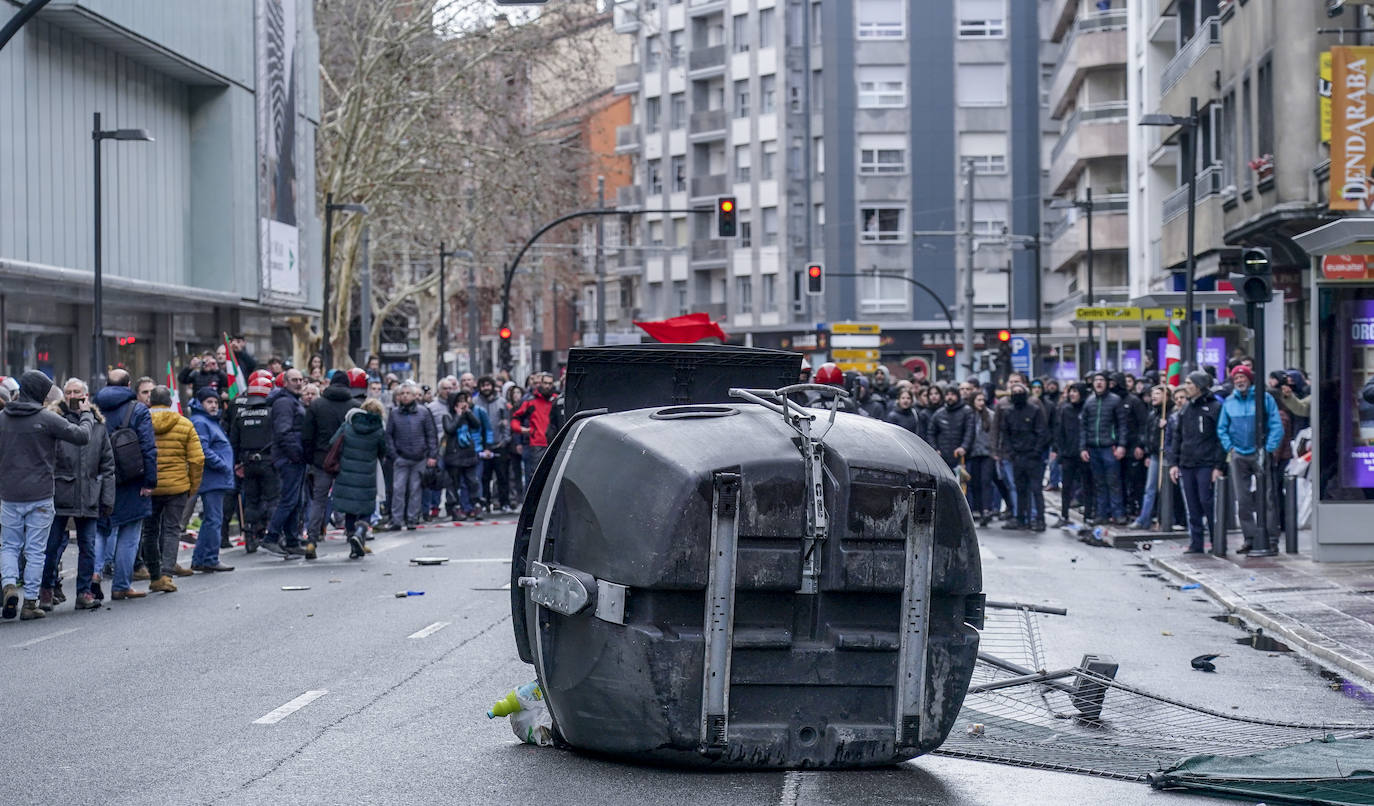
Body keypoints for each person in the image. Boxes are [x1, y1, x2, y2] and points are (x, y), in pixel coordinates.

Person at [0, 371, 94, 620]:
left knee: (9, 545)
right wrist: (86, 414)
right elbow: (82, 436)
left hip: (9, 493)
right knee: (35, 550)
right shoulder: (47, 418)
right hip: (40, 494)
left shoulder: (2, 418)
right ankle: (30, 602)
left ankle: (9, 584)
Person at [38, 378, 114, 611]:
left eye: (77, 392)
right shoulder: (55, 422)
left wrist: (107, 498)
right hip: (59, 494)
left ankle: (84, 592)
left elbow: (108, 465)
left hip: (89, 495)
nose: (72, 396)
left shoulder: (99, 425)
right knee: (51, 547)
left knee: (88, 546)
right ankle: (47, 590)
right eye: (69, 392)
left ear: (86, 395)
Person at [91, 370, 159, 601]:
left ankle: (94, 573)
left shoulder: (94, 408)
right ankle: (121, 585)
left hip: (102, 477)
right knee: (130, 533)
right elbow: (148, 449)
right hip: (132, 480)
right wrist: (149, 482)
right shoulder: (138, 409)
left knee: (101, 529)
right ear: (129, 385)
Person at [140, 386, 204, 593]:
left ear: (150, 401)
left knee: (149, 530)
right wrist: (192, 486)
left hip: (149, 487)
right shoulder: (184, 424)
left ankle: (154, 574)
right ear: (170, 402)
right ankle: (167, 574)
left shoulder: (140, 422)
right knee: (171, 530)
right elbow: (197, 459)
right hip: (177, 486)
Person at [1218, 365, 1283, 553]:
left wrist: (1269, 448)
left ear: (1249, 379)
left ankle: (1271, 538)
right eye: (1236, 378)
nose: (1239, 381)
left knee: (1268, 497)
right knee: (1243, 499)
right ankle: (1250, 537)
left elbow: (1275, 424)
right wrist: (1229, 447)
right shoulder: (1229, 402)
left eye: (1242, 377)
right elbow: (1222, 428)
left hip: (1259, 451)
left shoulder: (1265, 398)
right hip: (1238, 453)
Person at [1168, 372, 1227, 554]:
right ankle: (1196, 542)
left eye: (1189, 383)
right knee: (1191, 505)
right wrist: (1174, 462)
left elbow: (1220, 438)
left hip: (1206, 463)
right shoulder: (1186, 409)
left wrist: (1218, 466)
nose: (1186, 386)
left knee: (1207, 502)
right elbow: (1178, 436)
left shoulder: (1215, 407)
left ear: (1199, 385)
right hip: (1187, 462)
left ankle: (1217, 540)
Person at [302, 371, 357, 548]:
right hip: (347, 459)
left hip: (322, 459)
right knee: (350, 498)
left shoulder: (317, 405)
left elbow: (307, 436)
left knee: (319, 499)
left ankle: (312, 537)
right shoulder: (355, 406)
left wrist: (310, 458)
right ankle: (351, 533)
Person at [331, 399, 390, 558]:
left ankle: (352, 539)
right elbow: (383, 450)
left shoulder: (348, 426)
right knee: (367, 507)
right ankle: (361, 531)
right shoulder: (378, 430)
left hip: (347, 472)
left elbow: (333, 442)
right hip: (368, 473)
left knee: (350, 508)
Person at [229, 370, 279, 554]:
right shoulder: (271, 413)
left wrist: (236, 463)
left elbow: (233, 441)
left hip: (247, 463)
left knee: (251, 500)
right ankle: (273, 533)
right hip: (268, 462)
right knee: (272, 498)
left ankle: (249, 533)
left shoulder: (240, 415)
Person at [187, 387, 235, 573]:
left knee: (211, 519)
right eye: (209, 402)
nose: (214, 405)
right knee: (214, 520)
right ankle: (210, 558)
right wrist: (223, 465)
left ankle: (200, 559)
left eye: (215, 402)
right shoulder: (201, 422)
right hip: (212, 478)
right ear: (200, 403)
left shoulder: (209, 421)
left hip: (216, 478)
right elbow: (203, 450)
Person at [262, 368, 308, 557]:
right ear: (285, 382)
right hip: (289, 458)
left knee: (295, 501)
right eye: (294, 380)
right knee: (289, 500)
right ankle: (271, 537)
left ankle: (292, 540)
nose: (298, 383)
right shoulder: (284, 403)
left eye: (300, 379)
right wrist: (296, 454)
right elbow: (283, 432)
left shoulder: (292, 401)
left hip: (293, 457)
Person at [384, 381, 438, 531]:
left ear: (415, 396)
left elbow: (431, 434)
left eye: (408, 393)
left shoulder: (423, 412)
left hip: (419, 457)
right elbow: (389, 436)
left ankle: (413, 518)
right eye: (402, 393)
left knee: (415, 489)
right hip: (401, 458)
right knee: (398, 489)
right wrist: (394, 455)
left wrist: (432, 455)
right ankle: (397, 519)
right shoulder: (394, 413)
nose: (405, 396)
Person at [998, 382, 1049, 532]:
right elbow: (1005, 434)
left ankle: (1039, 519)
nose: (1018, 394)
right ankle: (1020, 518)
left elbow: (1041, 432)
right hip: (1017, 456)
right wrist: (1011, 452)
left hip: (1033, 456)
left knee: (1035, 489)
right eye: (1015, 391)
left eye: (1020, 391)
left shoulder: (1034, 410)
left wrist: (1036, 451)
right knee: (1020, 489)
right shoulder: (1008, 412)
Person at [1079, 371, 1128, 526]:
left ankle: (1118, 513)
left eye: (1102, 380)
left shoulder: (1115, 400)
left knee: (1113, 481)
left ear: (1107, 383)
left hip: (1109, 446)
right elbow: (1083, 426)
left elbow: (1122, 425)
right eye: (1096, 380)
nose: (1098, 383)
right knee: (1099, 482)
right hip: (1093, 446)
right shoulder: (1089, 401)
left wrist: (1121, 445)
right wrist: (1083, 447)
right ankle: (1102, 513)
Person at [1132, 385, 1171, 531]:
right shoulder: (1152, 414)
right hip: (1155, 455)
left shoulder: (1170, 413)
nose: (1154, 396)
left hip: (1168, 456)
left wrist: (1167, 426)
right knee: (1150, 488)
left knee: (1166, 490)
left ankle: (1167, 519)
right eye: (1153, 394)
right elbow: (1149, 435)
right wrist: (1147, 452)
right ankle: (1144, 519)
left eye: (1158, 394)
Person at [443, 391, 487, 520]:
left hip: (468, 454)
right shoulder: (448, 416)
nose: (462, 404)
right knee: (454, 483)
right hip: (454, 455)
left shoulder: (467, 414)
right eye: (459, 402)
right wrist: (458, 416)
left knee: (473, 482)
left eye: (464, 401)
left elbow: (477, 425)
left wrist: (468, 412)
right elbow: (449, 429)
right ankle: (456, 508)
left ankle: (476, 505)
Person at [1051, 382, 1089, 528]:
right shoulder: (1065, 409)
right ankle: (1064, 514)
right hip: (1068, 453)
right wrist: (1059, 450)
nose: (1072, 394)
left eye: (1075, 391)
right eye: (1071, 391)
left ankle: (1087, 515)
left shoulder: (1086, 408)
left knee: (1087, 485)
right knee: (1066, 486)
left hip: (1083, 453)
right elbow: (1060, 431)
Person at [475, 376, 512, 514]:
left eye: (488, 385)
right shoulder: (475, 402)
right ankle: (485, 502)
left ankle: (504, 502)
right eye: (483, 385)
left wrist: (506, 439)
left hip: (499, 444)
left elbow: (506, 422)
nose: (486, 388)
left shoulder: (502, 402)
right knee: (484, 477)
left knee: (502, 476)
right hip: (482, 447)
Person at [512, 373, 558, 484]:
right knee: (536, 477)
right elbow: (515, 418)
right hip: (537, 443)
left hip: (555, 442)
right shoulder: (531, 401)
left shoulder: (557, 400)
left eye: (550, 384)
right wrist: (522, 430)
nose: (547, 386)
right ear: (540, 384)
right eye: (545, 383)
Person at [928, 385, 975, 471]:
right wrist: (934, 449)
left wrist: (964, 447)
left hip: (962, 456)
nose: (950, 397)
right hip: (943, 456)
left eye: (952, 394)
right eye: (947, 395)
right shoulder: (939, 413)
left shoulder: (967, 411)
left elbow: (970, 431)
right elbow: (931, 432)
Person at [966, 391, 997, 527]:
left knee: (986, 481)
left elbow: (995, 434)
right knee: (975, 482)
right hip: (972, 453)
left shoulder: (990, 415)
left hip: (987, 453)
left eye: (983, 400)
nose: (981, 403)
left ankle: (986, 509)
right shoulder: (968, 415)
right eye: (978, 400)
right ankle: (977, 509)